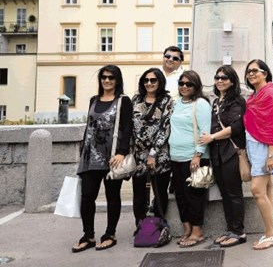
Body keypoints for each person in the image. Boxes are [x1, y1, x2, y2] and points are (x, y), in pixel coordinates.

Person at [72, 65, 133, 252]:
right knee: (87, 196)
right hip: (90, 156)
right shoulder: (93, 100)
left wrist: (122, 153)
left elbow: (127, 128)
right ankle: (88, 235)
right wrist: (83, 152)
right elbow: (89, 127)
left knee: (112, 196)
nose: (107, 80)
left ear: (117, 80)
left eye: (111, 77)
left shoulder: (123, 101)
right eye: (104, 77)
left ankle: (110, 234)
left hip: (112, 156)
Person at [199, 65, 247, 248]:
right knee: (225, 194)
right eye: (217, 77)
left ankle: (239, 232)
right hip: (217, 154)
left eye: (224, 78)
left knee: (234, 194)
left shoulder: (237, 101)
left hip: (231, 153)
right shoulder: (217, 101)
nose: (220, 80)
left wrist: (211, 137)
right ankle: (230, 229)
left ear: (232, 81)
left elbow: (235, 128)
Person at [243, 59, 273, 250]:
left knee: (257, 190)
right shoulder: (256, 94)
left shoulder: (270, 93)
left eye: (255, 70)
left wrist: (270, 155)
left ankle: (270, 234)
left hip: (266, 146)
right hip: (256, 144)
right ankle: (270, 232)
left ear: (265, 73)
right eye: (248, 71)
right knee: (268, 189)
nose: (251, 74)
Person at [168, 70, 212, 247]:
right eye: (181, 83)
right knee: (180, 195)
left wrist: (197, 154)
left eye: (189, 84)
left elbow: (205, 130)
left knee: (194, 196)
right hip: (175, 156)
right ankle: (186, 228)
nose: (184, 86)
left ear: (196, 86)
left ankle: (197, 231)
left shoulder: (201, 104)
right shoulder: (176, 103)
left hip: (194, 157)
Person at [131, 68, 173, 231]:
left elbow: (165, 128)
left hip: (160, 155)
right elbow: (131, 126)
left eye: (153, 80)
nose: (149, 83)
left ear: (160, 82)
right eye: (146, 80)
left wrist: (153, 154)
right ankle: (141, 225)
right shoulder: (136, 100)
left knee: (160, 192)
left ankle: (158, 225)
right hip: (139, 156)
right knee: (139, 194)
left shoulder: (166, 101)